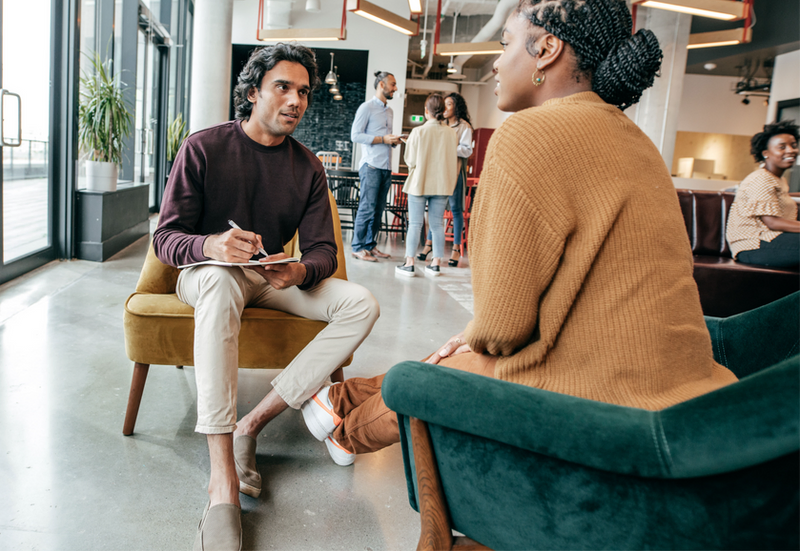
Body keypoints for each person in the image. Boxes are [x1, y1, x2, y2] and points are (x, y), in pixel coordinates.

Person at [299, 0, 738, 464]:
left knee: (454, 361)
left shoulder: (528, 133)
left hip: (603, 404)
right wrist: (477, 334)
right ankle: (339, 401)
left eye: (506, 43)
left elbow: (503, 329)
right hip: (694, 395)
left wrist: (474, 336)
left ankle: (347, 433)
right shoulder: (639, 140)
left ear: (547, 49)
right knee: (466, 345)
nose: (495, 59)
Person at [153, 44, 380, 550]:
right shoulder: (204, 147)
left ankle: (250, 426)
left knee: (361, 302)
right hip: (209, 273)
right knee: (216, 279)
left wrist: (298, 268)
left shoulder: (307, 168)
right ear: (252, 91)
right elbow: (166, 239)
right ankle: (222, 484)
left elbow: (323, 248)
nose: (296, 100)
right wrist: (211, 245)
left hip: (269, 276)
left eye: (303, 91)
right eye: (283, 86)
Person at [393, 94, 458, 278]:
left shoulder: (418, 132)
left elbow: (410, 161)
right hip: (441, 184)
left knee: (415, 223)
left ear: (426, 111)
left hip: (419, 183)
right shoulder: (451, 133)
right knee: (437, 224)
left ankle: (409, 263)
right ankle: (436, 263)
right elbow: (453, 161)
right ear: (443, 111)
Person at [726, 120, 800, 267]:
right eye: (782, 147)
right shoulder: (761, 179)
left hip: (771, 240)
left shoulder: (778, 180)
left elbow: (780, 199)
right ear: (765, 153)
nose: (791, 150)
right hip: (754, 245)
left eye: (793, 145)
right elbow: (772, 222)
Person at [350, 71, 403, 262]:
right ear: (382, 84)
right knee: (367, 207)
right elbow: (355, 135)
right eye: (393, 84)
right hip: (371, 165)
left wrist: (392, 141)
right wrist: (382, 139)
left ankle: (370, 246)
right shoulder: (367, 108)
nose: (395, 88)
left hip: (386, 166)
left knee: (379, 209)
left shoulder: (389, 111)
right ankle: (357, 247)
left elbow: (385, 138)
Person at [418, 92, 474, 267]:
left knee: (456, 211)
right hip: (439, 173)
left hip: (455, 172)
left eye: (449, 104)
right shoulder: (439, 125)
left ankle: (456, 250)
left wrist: (447, 146)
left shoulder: (464, 127)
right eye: (444, 104)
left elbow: (466, 151)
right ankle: (428, 246)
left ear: (456, 107)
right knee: (436, 211)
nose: (445, 108)